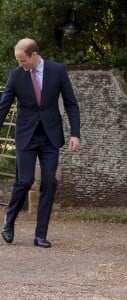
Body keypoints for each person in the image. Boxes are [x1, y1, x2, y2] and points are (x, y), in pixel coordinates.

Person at [0, 38, 80, 248]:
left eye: (22, 59)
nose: (20, 64)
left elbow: (71, 103)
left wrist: (75, 133)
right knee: (24, 180)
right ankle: (9, 221)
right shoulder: (16, 75)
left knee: (49, 182)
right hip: (26, 136)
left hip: (50, 136)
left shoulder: (57, 70)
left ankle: (40, 235)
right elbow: (4, 105)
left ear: (34, 55)